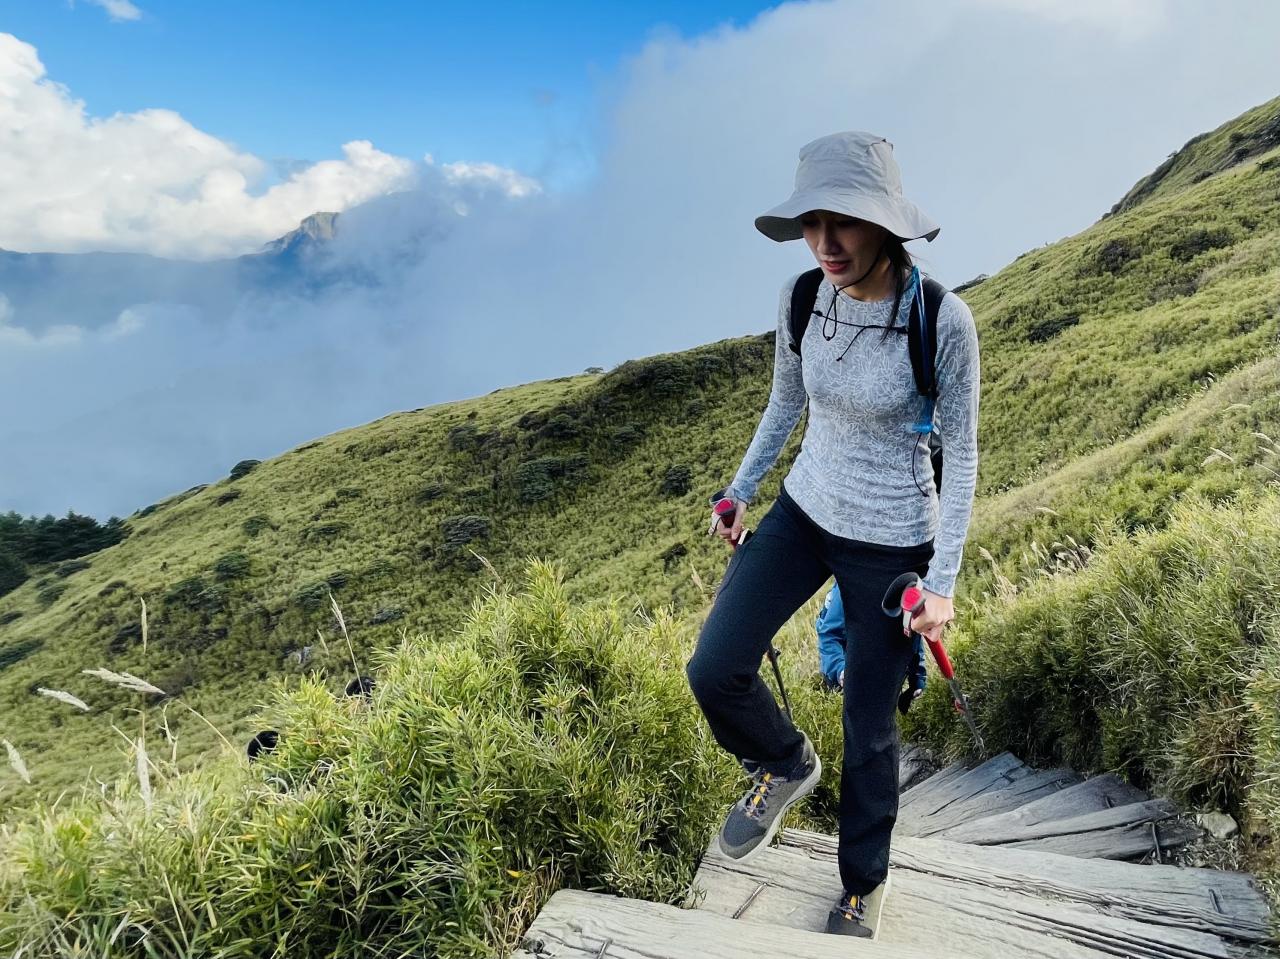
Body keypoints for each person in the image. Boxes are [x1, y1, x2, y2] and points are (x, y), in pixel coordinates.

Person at [685, 131, 980, 938]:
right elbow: (786, 404)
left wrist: (943, 581)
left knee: (869, 722)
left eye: (842, 222)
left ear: (884, 222)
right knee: (714, 668)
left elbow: (966, 455)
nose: (825, 244)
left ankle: (862, 885)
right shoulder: (801, 297)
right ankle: (784, 762)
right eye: (812, 223)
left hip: (891, 544)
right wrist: (739, 492)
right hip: (805, 511)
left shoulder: (942, 323)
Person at [816, 583, 927, 714]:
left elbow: (911, 634)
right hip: (843, 667)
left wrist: (917, 679)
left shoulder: (906, 585)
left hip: (879, 664)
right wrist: (841, 671)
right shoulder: (848, 588)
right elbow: (829, 636)